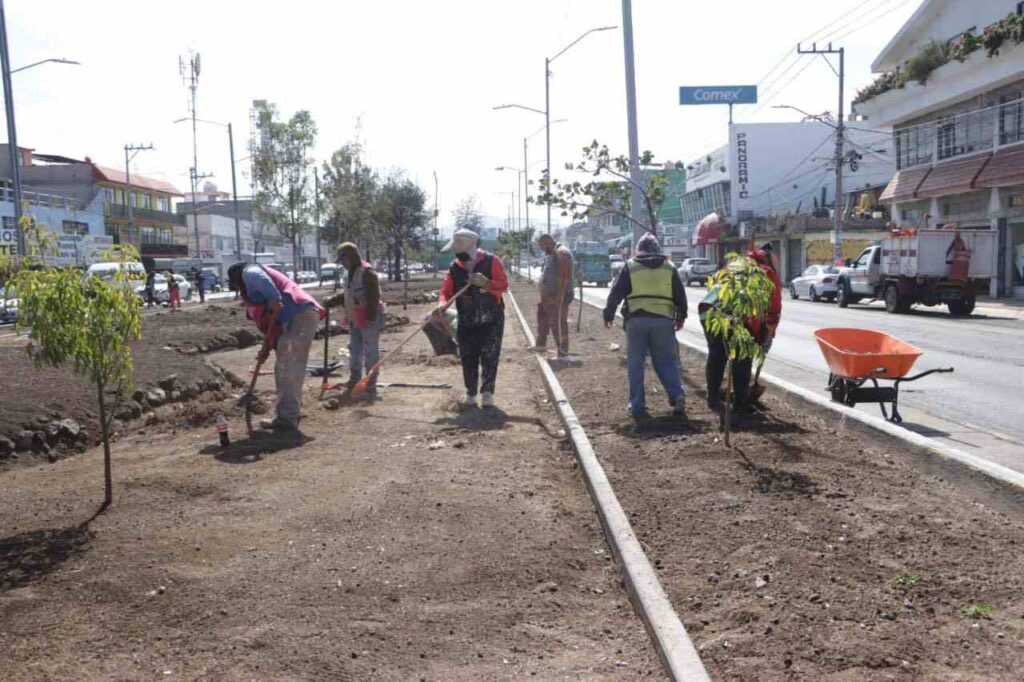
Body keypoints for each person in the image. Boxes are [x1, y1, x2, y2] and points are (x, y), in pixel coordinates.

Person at [228, 261, 325, 430]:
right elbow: (270, 330)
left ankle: (287, 419)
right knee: (287, 367)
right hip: (297, 318)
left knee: (287, 368)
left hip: (299, 316)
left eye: (237, 286)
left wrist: (274, 298)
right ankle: (290, 413)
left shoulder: (249, 272)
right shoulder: (257, 305)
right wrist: (266, 349)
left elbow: (263, 284)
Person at [603, 232, 688, 421]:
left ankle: (637, 404)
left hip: (637, 321)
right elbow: (679, 294)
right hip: (663, 321)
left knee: (636, 363)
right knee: (666, 360)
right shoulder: (669, 267)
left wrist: (608, 314)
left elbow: (616, 292)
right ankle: (677, 395)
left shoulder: (630, 266)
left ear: (638, 250)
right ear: (658, 250)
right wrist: (681, 316)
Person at [699, 244, 782, 420]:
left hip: (709, 311)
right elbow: (773, 309)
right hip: (740, 318)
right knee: (742, 359)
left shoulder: (734, 263)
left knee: (716, 356)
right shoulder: (767, 272)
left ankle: (713, 398)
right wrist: (768, 334)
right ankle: (739, 403)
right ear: (770, 256)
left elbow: (713, 287)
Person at [434, 228, 509, 408]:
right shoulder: (455, 268)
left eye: (458, 251)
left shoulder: (492, 262)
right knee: (468, 356)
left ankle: (488, 392)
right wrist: (441, 304)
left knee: (490, 355)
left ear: (468, 248)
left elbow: (504, 286)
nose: (456, 254)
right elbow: (446, 291)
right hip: (467, 319)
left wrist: (487, 283)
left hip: (492, 318)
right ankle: (471, 392)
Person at [322, 243, 384, 398]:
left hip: (369, 317)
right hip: (354, 317)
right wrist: (333, 299)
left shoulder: (367, 272)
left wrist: (370, 317)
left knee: (370, 351)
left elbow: (374, 296)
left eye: (344, 259)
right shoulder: (347, 273)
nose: (342, 263)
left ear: (352, 257)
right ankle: (355, 379)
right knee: (354, 349)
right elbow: (348, 293)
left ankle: (370, 384)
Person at [530, 233, 574, 358]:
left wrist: (558, 298)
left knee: (558, 323)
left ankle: (563, 351)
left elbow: (564, 278)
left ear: (547, 243)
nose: (542, 250)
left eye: (542, 247)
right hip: (550, 296)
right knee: (543, 316)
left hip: (559, 296)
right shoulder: (552, 253)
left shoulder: (562, 253)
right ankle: (541, 344)